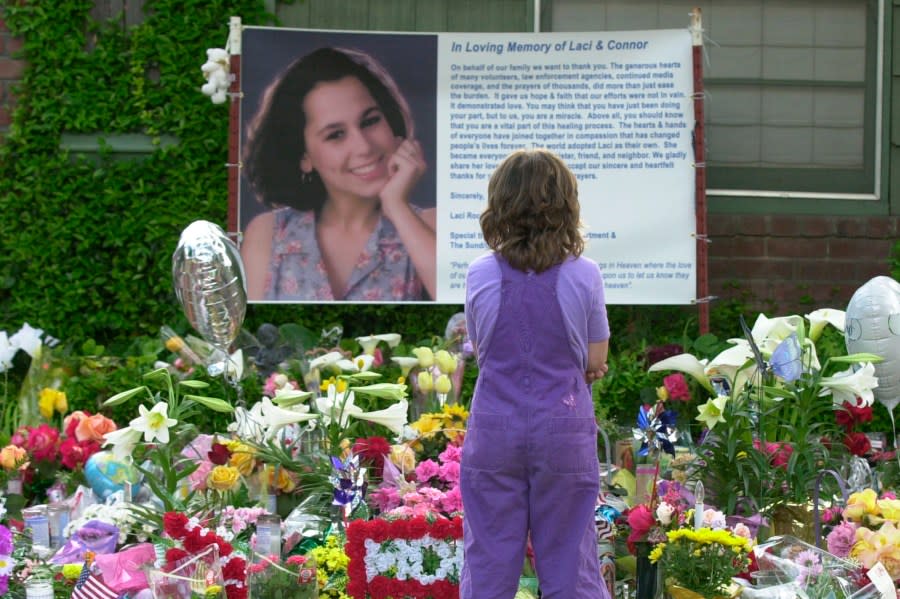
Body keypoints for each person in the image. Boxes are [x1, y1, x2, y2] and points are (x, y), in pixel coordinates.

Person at [461, 149, 611, 599]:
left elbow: (482, 346)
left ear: (500, 204)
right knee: (570, 562)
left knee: (488, 562)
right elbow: (593, 358)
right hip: (561, 429)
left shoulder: (479, 274)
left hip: (494, 430)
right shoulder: (584, 275)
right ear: (566, 205)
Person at [241, 47, 436, 301]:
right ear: (304, 156)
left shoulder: (429, 225)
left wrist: (396, 205)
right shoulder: (268, 234)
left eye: (370, 121)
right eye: (336, 135)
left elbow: (468, 308)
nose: (364, 147)